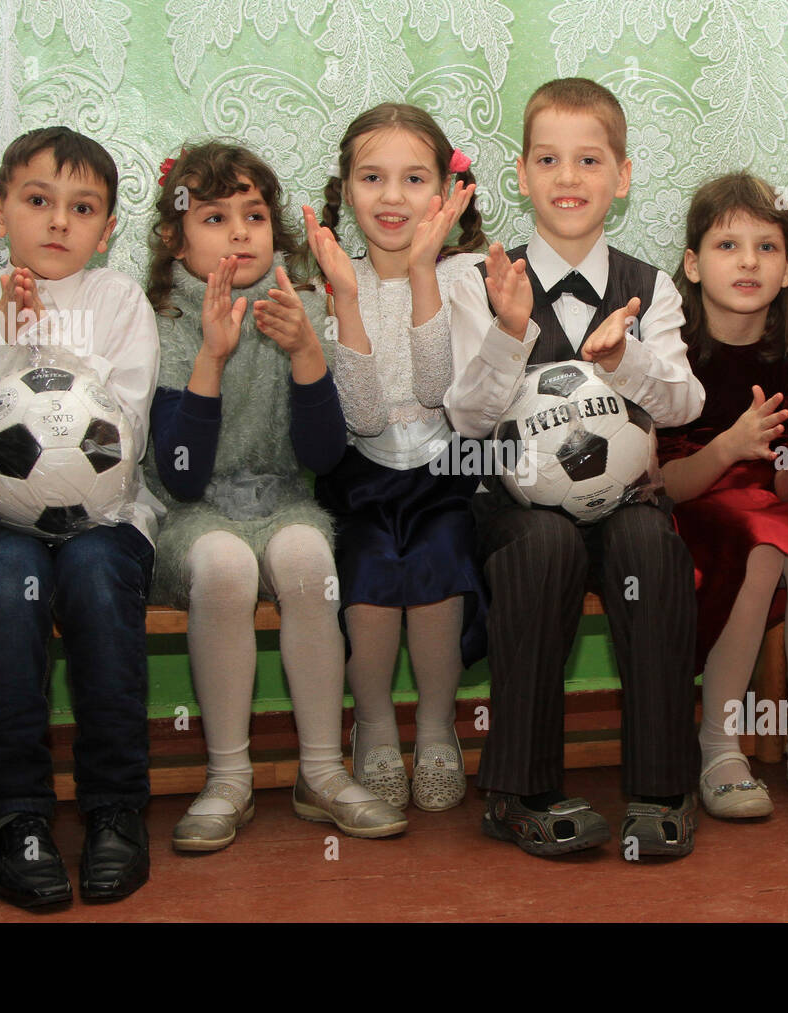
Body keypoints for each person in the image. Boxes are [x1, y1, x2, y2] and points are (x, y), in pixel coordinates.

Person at [446, 78, 705, 858]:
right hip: (516, 502)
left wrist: (625, 361)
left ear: (621, 177)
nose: (568, 178)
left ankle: (662, 787)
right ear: (520, 174)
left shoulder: (649, 286)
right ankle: (518, 791)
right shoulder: (477, 278)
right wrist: (510, 331)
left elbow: (686, 403)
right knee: (544, 549)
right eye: (549, 160)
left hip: (624, 495)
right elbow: (465, 419)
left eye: (589, 160)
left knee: (651, 548)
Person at [145, 141, 406, 850]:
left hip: (287, 498)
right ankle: (228, 776)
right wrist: (210, 356)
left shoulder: (302, 304)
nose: (239, 232)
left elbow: (322, 458)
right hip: (195, 513)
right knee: (224, 567)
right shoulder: (165, 318)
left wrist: (307, 355)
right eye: (214, 217)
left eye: (254, 215)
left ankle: (321, 770)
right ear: (175, 237)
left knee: (307, 556)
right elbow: (180, 476)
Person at [0, 127, 161, 907]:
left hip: (104, 518)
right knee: (5, 586)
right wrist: (7, 347)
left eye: (82, 207)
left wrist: (50, 351)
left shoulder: (119, 300)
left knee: (97, 585)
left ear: (106, 230)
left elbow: (121, 430)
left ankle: (115, 807)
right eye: (37, 201)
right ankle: (16, 812)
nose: (58, 221)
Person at [658, 172, 788, 818]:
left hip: (773, 500)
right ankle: (719, 743)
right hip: (692, 502)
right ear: (693, 264)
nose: (748, 261)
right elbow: (658, 484)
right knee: (761, 541)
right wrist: (728, 445)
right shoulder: (669, 350)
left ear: (786, 271)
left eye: (767, 247)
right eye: (727, 246)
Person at [303, 103, 487, 813]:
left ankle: (438, 724)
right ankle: (375, 724)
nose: (391, 196)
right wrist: (348, 301)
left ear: (443, 192)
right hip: (361, 480)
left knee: (442, 552)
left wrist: (419, 274)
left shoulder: (461, 277)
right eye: (372, 177)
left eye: (414, 178)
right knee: (372, 563)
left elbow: (438, 390)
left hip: (445, 476)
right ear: (347, 189)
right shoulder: (330, 280)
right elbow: (366, 417)